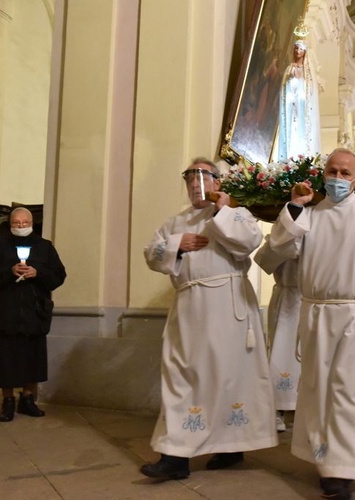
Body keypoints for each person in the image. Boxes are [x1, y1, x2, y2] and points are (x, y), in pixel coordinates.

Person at [266, 148, 355, 499]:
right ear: (322, 175)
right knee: (317, 392)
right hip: (315, 313)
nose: (338, 178)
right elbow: (272, 254)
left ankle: (343, 470)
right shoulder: (310, 215)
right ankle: (325, 460)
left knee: (350, 393)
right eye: (332, 171)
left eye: (346, 173)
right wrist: (295, 208)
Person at [141, 158, 277, 481]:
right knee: (180, 379)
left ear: (218, 182)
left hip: (226, 307)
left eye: (203, 176)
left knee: (226, 377)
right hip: (188, 308)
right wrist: (178, 244)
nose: (195, 183)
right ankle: (175, 457)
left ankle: (231, 444)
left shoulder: (235, 213)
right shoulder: (175, 222)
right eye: (190, 177)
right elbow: (151, 253)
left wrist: (222, 213)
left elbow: (249, 242)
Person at [0, 207, 66, 422]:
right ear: (10, 224)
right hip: (7, 313)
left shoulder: (44, 247)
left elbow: (59, 275)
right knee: (6, 360)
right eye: (17, 223)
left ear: (32, 223)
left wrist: (38, 273)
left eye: (25, 223)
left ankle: (28, 399)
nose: (21, 226)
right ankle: (7, 401)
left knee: (32, 358)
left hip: (35, 313)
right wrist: (9, 271)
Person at [253, 242, 301, 433]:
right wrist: (286, 240)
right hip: (288, 297)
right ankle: (277, 410)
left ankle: (306, 411)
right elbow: (263, 260)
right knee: (282, 354)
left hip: (317, 299)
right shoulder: (284, 230)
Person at [277, 40, 321, 161]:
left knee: (301, 128)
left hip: (302, 105)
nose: (298, 51)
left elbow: (309, 90)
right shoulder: (289, 69)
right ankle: (288, 157)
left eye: (300, 49)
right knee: (291, 128)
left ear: (304, 52)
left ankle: (302, 156)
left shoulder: (307, 71)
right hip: (290, 103)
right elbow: (283, 88)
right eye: (296, 48)